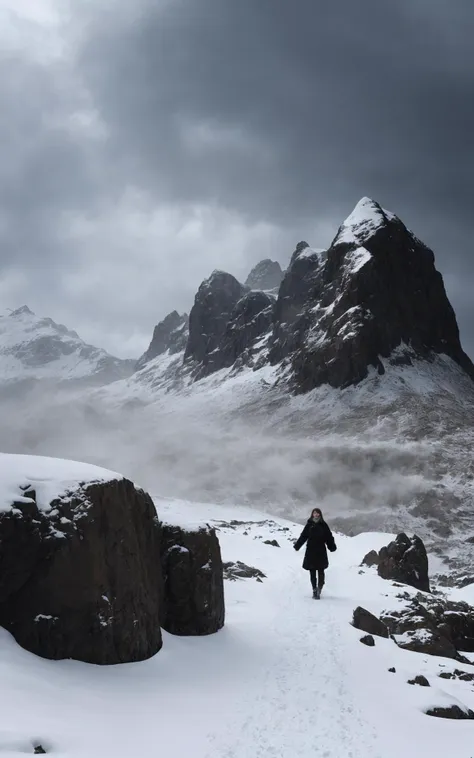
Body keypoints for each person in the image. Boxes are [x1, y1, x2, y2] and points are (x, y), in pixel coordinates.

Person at [294, 508, 336, 599]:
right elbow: (303, 536)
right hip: (311, 551)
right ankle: (314, 590)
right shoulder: (309, 525)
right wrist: (297, 545)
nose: (316, 514)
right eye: (314, 513)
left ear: (320, 515)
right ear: (312, 514)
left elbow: (328, 537)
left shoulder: (324, 525)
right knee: (312, 572)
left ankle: (319, 588)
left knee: (321, 571)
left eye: (317, 513)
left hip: (320, 551)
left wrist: (332, 546)